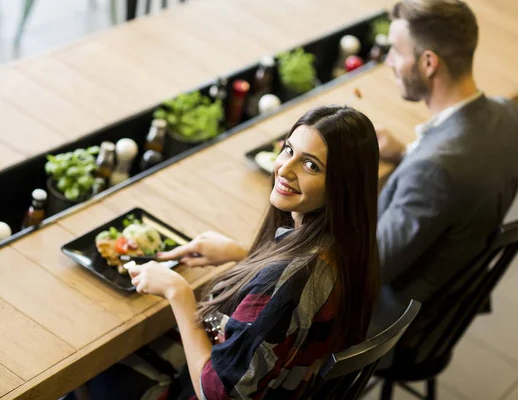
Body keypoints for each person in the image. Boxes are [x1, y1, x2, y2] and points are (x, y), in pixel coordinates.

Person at [78, 105, 381, 400]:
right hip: (288, 383)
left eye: (310, 165)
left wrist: (177, 291)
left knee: (96, 374)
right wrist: (244, 256)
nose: (284, 169)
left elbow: (217, 392)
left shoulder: (290, 281)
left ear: (342, 185)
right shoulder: (346, 244)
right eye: (288, 150)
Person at [375, 0, 518, 310]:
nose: (389, 62)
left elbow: (366, 267)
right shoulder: (507, 113)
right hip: (452, 287)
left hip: (390, 317)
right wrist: (407, 154)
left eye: (397, 52)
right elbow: (455, 177)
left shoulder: (433, 171)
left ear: (429, 63)